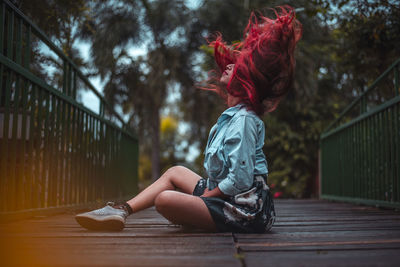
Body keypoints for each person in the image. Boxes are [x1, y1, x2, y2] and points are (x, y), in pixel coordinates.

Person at [75, 6, 302, 233]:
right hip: (232, 198)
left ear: (246, 79)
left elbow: (240, 180)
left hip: (248, 210)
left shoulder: (243, 120)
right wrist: (208, 194)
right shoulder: (231, 118)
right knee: (175, 172)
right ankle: (120, 210)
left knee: (164, 200)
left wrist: (206, 197)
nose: (230, 65)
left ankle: (203, 214)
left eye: (238, 66)